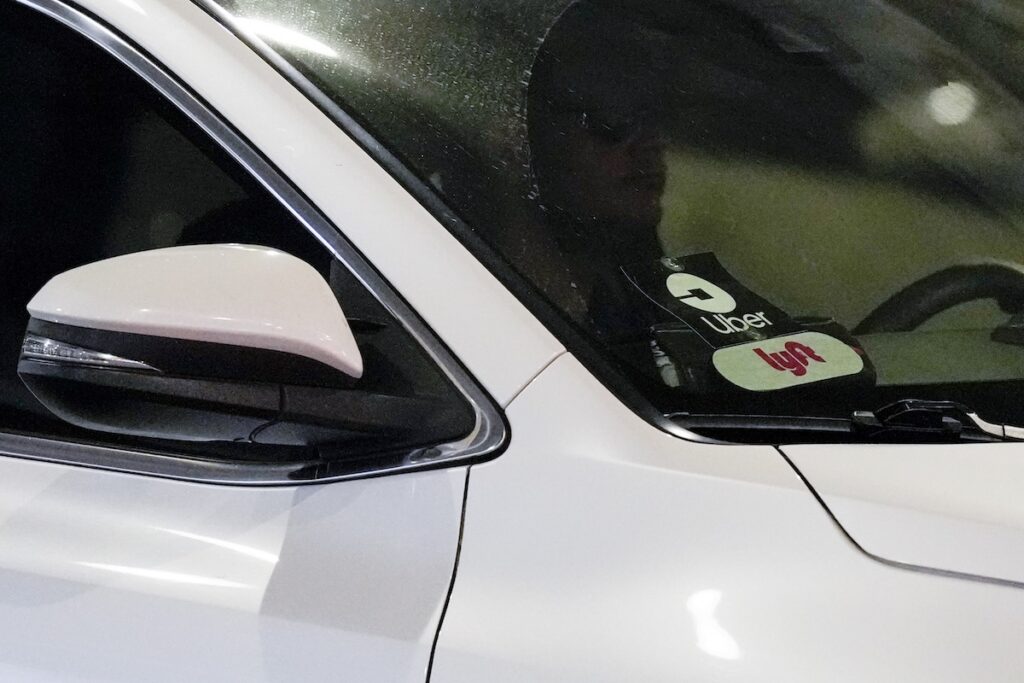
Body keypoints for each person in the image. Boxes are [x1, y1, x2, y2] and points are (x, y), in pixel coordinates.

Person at [525, 2, 670, 341]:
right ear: (525, 135)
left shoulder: (644, 292)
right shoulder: (450, 309)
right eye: (613, 121)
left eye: (656, 118)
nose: (651, 144)